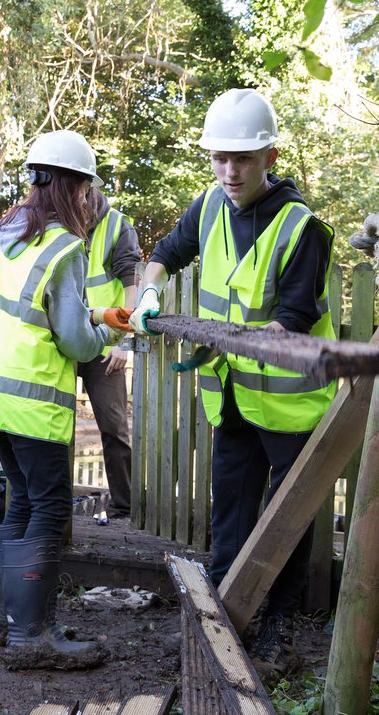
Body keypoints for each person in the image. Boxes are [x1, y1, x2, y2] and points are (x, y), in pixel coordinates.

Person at [128, 88, 335, 676]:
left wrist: (226, 336)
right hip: (235, 399)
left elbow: (290, 321)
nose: (228, 171)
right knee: (231, 514)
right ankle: (217, 626)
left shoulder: (303, 230)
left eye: (241, 159)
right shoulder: (209, 205)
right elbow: (165, 251)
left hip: (290, 406)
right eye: (219, 158)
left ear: (269, 156)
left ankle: (279, 633)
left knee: (288, 519)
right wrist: (149, 289)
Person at [0, 129, 131, 671]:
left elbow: (44, 309)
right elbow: (74, 341)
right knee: (49, 506)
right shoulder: (65, 245)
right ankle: (32, 637)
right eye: (84, 188)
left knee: (24, 501)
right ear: (74, 187)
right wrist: (106, 334)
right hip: (29, 397)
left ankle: (1, 620)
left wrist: (99, 316)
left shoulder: (15, 232)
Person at [78, 184, 140, 519]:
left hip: (105, 344)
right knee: (49, 427)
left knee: (114, 427)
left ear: (89, 189)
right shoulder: (56, 219)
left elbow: (133, 289)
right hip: (63, 342)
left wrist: (124, 342)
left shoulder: (117, 226)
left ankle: (124, 507)